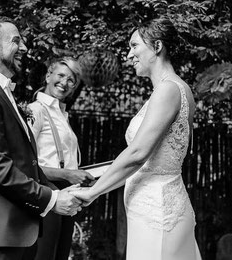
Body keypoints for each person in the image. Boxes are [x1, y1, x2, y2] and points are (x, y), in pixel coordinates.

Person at [70, 18, 202, 260]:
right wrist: (99, 182)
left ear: (157, 46)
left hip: (158, 211)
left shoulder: (168, 89)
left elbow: (139, 153)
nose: (129, 54)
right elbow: (153, 159)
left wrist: (94, 193)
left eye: (134, 45)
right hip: (157, 205)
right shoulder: (177, 89)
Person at [0, 16, 82, 260]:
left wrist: (66, 193)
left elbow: (27, 163)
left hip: (20, 230)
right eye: (16, 41)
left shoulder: (1, 92)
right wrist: (52, 198)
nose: (24, 47)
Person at [26, 57, 95, 260]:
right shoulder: (35, 110)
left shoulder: (61, 114)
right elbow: (26, 164)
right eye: (61, 75)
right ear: (48, 76)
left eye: (72, 80)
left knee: (60, 255)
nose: (65, 83)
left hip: (67, 194)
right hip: (47, 193)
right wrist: (67, 174)